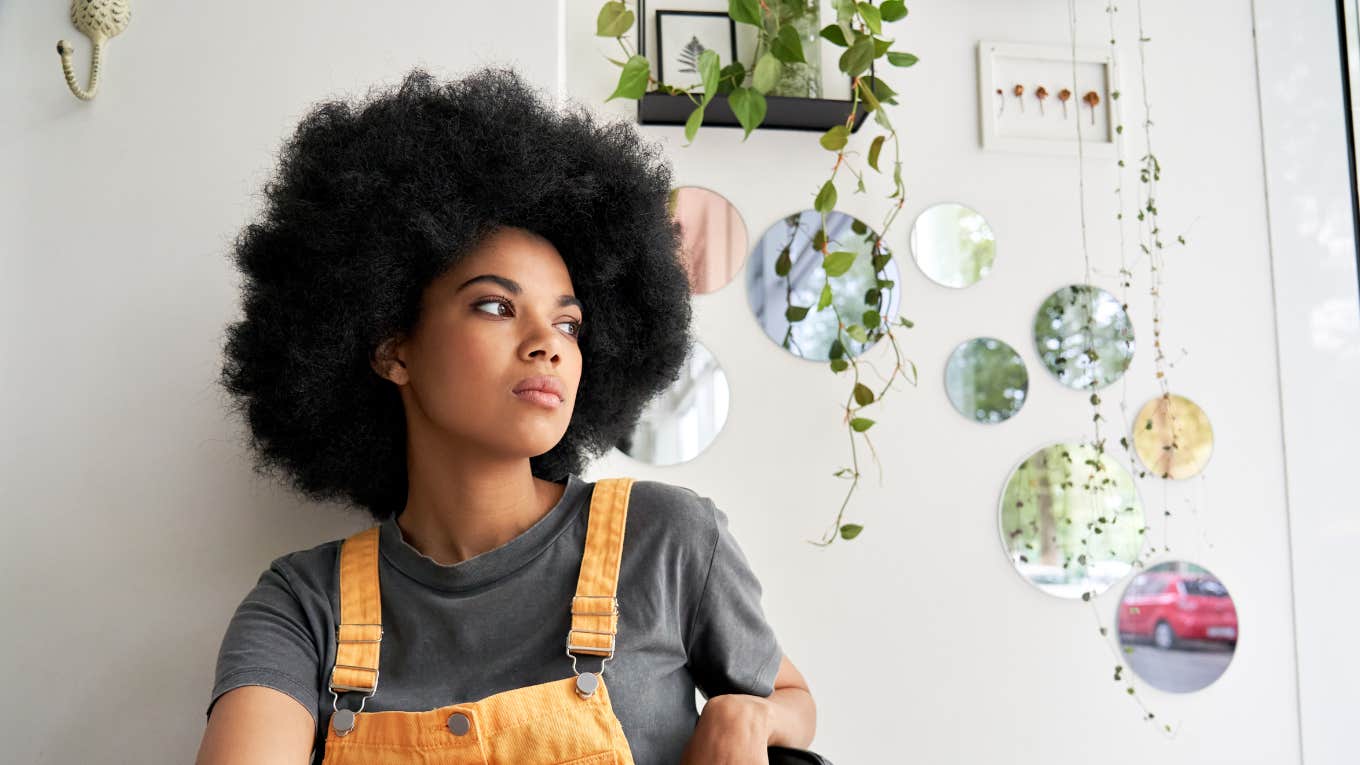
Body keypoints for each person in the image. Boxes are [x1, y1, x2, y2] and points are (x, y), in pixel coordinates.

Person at [195, 65, 816, 764]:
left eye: (570, 324)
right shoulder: (307, 606)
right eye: (495, 305)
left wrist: (744, 716)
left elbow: (793, 698)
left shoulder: (666, 540)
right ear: (391, 346)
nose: (547, 344)